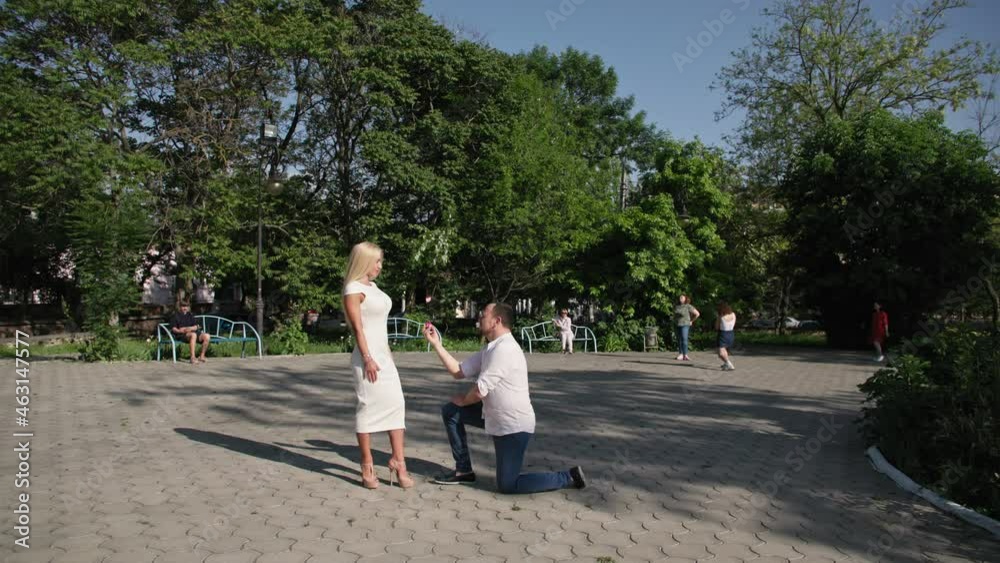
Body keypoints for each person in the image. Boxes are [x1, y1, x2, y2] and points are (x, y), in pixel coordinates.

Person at [422, 303, 587, 493]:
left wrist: (464, 400)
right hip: (494, 417)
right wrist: (437, 344)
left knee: (508, 485)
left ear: (496, 321)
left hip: (513, 425)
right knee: (451, 411)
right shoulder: (491, 348)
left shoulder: (505, 349)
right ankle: (463, 471)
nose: (479, 317)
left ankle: (567, 477)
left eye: (484, 315)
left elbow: (480, 391)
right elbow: (458, 371)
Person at [343, 241, 413, 489]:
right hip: (366, 359)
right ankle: (367, 464)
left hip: (384, 358)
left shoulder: (373, 288)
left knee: (397, 404)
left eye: (381, 261)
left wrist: (387, 356)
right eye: (377, 261)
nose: (380, 266)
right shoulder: (352, 288)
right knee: (368, 407)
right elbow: (358, 329)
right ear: (364, 261)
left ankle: (398, 461)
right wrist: (368, 358)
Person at [674, 294, 700, 361]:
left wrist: (691, 321)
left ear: (685, 299)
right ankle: (680, 354)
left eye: (682, 297)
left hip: (685, 324)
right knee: (679, 339)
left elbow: (697, 314)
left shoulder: (688, 306)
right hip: (677, 325)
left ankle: (685, 354)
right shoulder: (677, 306)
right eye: (680, 297)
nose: (681, 298)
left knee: (684, 339)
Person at [715, 302, 737, 371]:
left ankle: (728, 363)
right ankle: (726, 363)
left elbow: (716, 327)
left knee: (720, 353)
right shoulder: (733, 314)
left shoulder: (720, 317)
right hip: (731, 333)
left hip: (723, 334)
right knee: (724, 350)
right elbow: (734, 324)